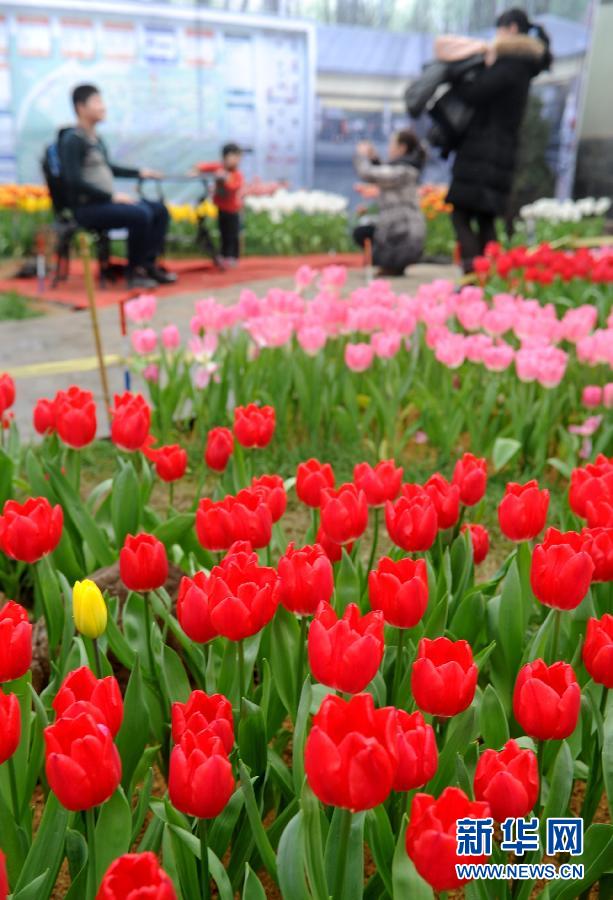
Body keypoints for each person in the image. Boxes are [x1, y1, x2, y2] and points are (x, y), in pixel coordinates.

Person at [443, 9, 552, 274]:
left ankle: (473, 277)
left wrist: (456, 76)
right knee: (484, 217)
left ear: (512, 29)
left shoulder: (510, 65)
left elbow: (475, 93)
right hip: (501, 151)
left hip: (485, 151)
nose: (497, 35)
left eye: (500, 29)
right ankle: (487, 280)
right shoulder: (523, 66)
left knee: (461, 215)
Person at [60, 84, 176, 288]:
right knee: (140, 214)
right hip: (87, 208)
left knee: (159, 210)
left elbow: (109, 168)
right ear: (80, 107)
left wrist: (140, 172)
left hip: (104, 202)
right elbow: (73, 181)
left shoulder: (96, 139)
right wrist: (109, 197)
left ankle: (148, 265)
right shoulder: (72, 140)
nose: (103, 107)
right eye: (97, 102)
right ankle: (134, 273)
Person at [353, 129, 426, 276]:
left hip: (402, 232)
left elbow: (368, 173)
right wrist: (373, 158)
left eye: (392, 144)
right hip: (402, 229)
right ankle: (392, 265)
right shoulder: (407, 167)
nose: (389, 148)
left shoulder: (404, 170)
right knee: (364, 229)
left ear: (402, 148)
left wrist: (361, 155)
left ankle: (392, 264)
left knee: (363, 231)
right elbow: (383, 171)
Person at [197, 143, 244, 268]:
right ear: (224, 157)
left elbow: (234, 187)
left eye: (238, 158)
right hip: (221, 208)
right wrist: (196, 170)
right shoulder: (219, 168)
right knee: (223, 233)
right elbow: (202, 166)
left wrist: (225, 179)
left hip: (233, 210)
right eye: (232, 157)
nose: (236, 160)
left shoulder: (236, 174)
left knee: (232, 234)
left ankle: (232, 257)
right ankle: (224, 255)